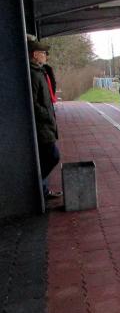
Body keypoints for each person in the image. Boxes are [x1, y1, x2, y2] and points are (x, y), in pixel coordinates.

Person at [28, 39, 61, 200]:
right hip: (42, 125)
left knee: (46, 157)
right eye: (43, 53)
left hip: (45, 124)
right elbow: (32, 103)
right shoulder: (34, 75)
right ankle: (37, 186)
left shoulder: (40, 72)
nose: (46, 56)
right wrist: (47, 115)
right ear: (35, 55)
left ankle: (43, 190)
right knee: (53, 156)